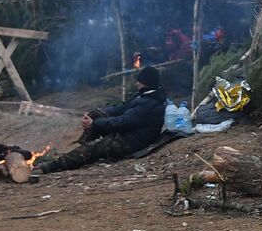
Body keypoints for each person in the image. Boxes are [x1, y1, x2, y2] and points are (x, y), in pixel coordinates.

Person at [38, 65, 167, 173]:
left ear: (146, 83)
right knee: (96, 114)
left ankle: (53, 166)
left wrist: (94, 124)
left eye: (139, 80)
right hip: (127, 133)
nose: (136, 83)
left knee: (95, 147)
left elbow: (122, 121)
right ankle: (82, 147)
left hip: (131, 142)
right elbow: (121, 108)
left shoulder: (150, 104)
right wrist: (99, 114)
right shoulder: (143, 96)